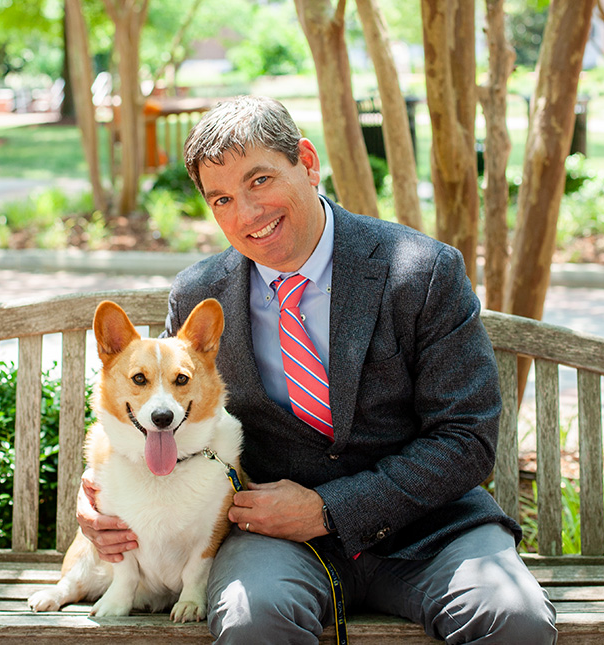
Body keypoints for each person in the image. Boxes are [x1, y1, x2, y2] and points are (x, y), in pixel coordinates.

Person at [77, 95, 557, 644]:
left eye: (259, 181)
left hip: (430, 528)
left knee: (513, 619)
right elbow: (171, 425)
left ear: (307, 161)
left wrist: (331, 508)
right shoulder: (200, 294)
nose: (246, 214)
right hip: (273, 539)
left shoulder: (421, 273)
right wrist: (95, 498)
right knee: (252, 621)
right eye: (222, 198)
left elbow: (467, 438)